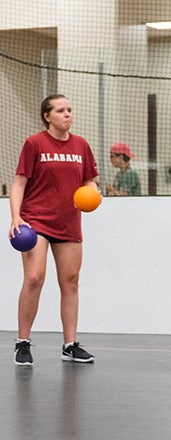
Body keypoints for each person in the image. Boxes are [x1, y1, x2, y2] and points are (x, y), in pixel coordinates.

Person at [8, 94, 99, 366]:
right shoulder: (34, 143)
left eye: (70, 109)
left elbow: (91, 181)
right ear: (47, 116)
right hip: (35, 221)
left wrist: (93, 194)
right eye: (60, 110)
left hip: (69, 222)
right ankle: (22, 343)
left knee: (70, 282)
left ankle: (70, 345)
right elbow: (19, 183)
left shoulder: (81, 145)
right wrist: (16, 218)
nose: (67, 114)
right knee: (34, 278)